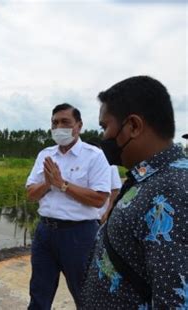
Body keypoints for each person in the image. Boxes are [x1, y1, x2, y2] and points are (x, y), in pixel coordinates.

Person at [81, 76, 188, 309]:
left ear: (133, 126)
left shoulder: (176, 191)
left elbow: (175, 300)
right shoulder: (148, 178)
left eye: (104, 126)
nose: (103, 137)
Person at [26, 103, 111, 309]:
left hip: (79, 234)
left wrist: (62, 184)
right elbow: (30, 194)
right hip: (45, 232)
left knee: (84, 292)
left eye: (65, 122)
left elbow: (99, 198)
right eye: (55, 123)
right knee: (39, 291)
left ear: (79, 126)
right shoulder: (45, 155)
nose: (59, 127)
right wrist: (48, 183)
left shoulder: (94, 156)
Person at [87, 139, 123, 224]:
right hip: (83, 216)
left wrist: (108, 212)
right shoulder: (81, 166)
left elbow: (115, 191)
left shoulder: (110, 166)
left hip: (101, 215)